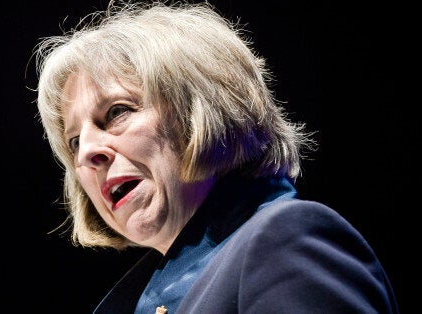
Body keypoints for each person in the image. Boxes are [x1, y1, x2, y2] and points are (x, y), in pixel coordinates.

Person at [31, 1, 400, 313]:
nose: (89, 153)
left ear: (202, 109)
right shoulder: (143, 298)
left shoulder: (283, 242)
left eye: (116, 112)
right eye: (75, 141)